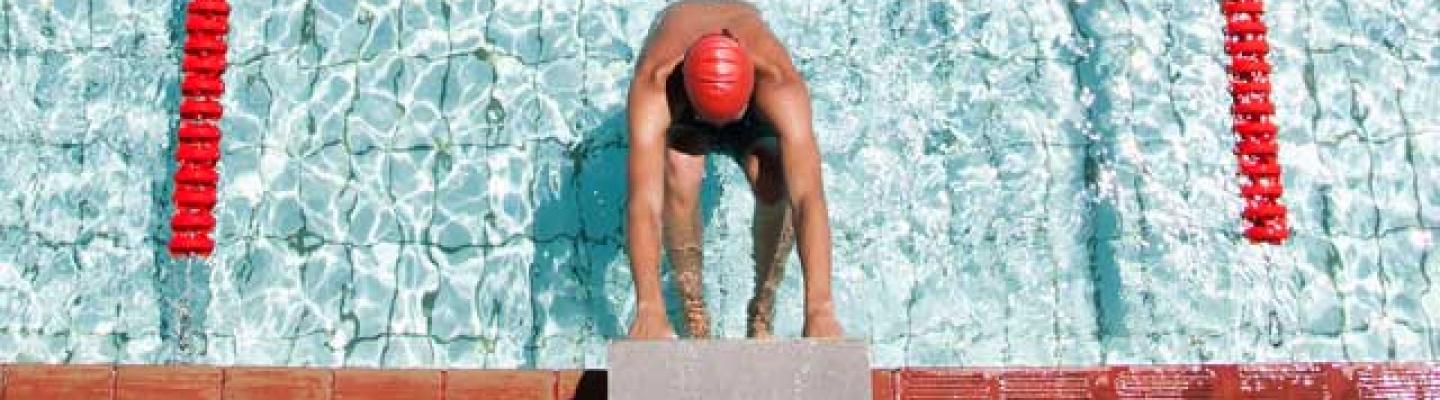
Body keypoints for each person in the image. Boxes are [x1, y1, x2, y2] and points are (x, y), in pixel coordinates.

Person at [623, 0, 842, 339]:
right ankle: (694, 315)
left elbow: (808, 197)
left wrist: (820, 308)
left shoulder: (780, 82)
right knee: (679, 169)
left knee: (774, 177)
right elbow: (643, 202)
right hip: (687, 108)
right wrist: (648, 306)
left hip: (735, 101)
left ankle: (762, 308)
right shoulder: (655, 82)